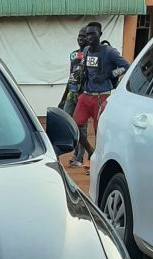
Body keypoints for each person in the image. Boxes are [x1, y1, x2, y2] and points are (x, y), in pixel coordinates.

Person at [74, 21, 130, 167]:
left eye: (92, 34)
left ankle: (98, 161)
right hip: (86, 95)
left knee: (101, 131)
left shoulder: (109, 51)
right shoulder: (85, 50)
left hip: (101, 96)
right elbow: (83, 66)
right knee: (74, 126)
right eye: (87, 34)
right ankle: (91, 150)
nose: (89, 37)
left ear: (100, 34)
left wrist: (108, 74)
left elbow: (126, 67)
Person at [59, 27, 89, 168]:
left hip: (84, 95)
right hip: (72, 93)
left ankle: (80, 156)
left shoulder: (92, 55)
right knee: (67, 121)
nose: (80, 38)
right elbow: (71, 77)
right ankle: (74, 151)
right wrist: (64, 97)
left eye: (83, 36)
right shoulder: (73, 55)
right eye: (79, 36)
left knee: (81, 125)